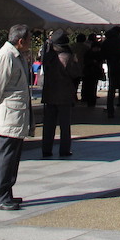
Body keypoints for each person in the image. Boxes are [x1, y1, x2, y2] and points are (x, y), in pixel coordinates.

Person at [0, 24, 34, 210]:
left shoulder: (16, 56)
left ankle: (6, 192)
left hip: (16, 115)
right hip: (8, 114)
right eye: (28, 40)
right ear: (20, 41)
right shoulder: (6, 56)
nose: (30, 43)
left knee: (12, 157)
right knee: (6, 156)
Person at [40, 29, 80, 158]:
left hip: (49, 93)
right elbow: (75, 73)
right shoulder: (67, 57)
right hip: (64, 94)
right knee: (64, 124)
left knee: (48, 124)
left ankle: (46, 149)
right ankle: (64, 149)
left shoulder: (48, 57)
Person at [79, 35, 104, 108]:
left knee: (89, 86)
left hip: (89, 72)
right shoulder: (92, 53)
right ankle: (90, 100)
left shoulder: (89, 52)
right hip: (91, 72)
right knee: (91, 87)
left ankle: (87, 99)